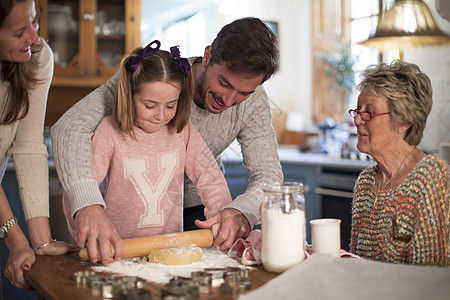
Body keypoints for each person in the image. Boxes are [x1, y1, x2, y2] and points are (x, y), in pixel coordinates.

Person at [51, 17, 283, 265]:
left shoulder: (254, 103)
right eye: (224, 83)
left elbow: (268, 175)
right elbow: (69, 126)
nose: (228, 100)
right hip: (126, 221)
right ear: (208, 55)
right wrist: (88, 204)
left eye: (244, 92)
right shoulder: (156, 80)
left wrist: (240, 211)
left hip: (201, 216)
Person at [62, 41, 232, 258]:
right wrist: (84, 234)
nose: (160, 115)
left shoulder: (183, 131)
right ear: (129, 96)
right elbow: (78, 187)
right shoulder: (109, 131)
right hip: (118, 252)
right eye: (150, 105)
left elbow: (211, 179)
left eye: (170, 105)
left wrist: (221, 217)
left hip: (170, 252)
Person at [0, 0, 76, 292]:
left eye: (35, 22)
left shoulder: (37, 56)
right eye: (20, 31)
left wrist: (41, 243)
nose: (33, 38)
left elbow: (29, 146)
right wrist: (17, 242)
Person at [349, 60, 449, 266]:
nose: (358, 120)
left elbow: (429, 278)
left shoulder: (430, 179)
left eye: (369, 112)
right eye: (358, 110)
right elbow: (356, 264)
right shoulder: (365, 183)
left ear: (403, 121)